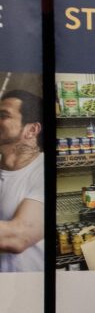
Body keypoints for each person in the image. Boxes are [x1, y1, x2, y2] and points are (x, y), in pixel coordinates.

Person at [0, 90, 44, 272]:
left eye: (3, 115)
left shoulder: (43, 171)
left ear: (31, 130)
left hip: (28, 290)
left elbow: (18, 236)